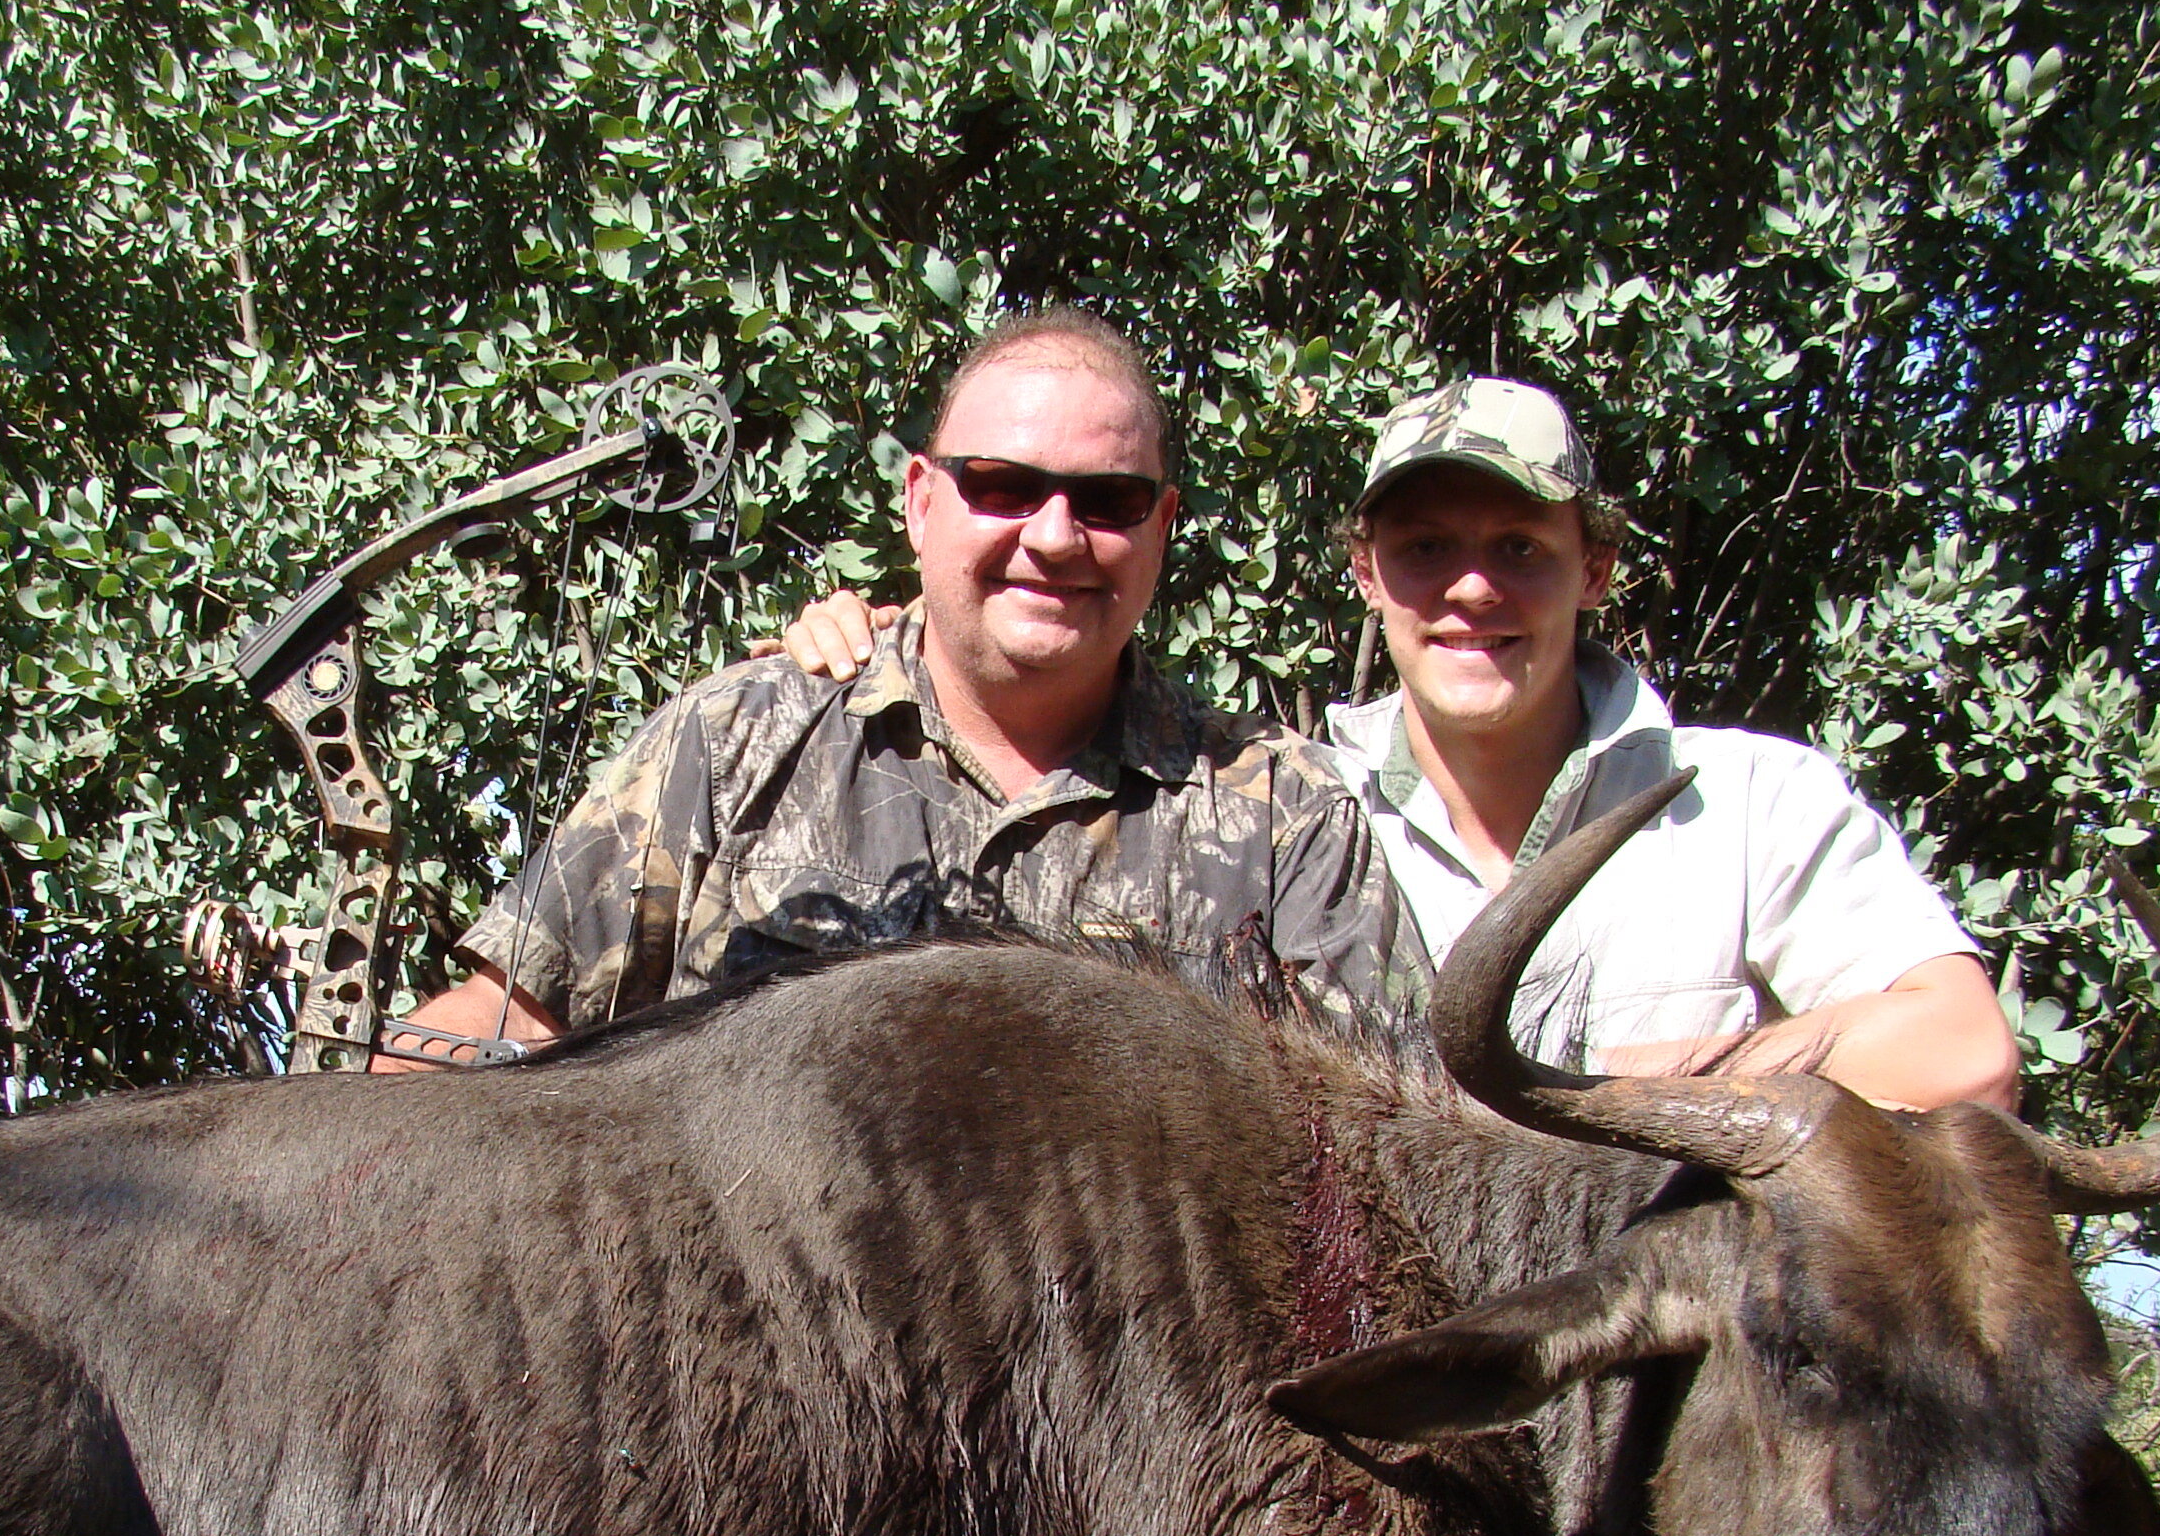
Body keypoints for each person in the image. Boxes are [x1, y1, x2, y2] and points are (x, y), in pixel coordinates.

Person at [778, 374, 2017, 1112]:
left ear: (1596, 569)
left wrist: (1638, 1096)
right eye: (1427, 549)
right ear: (1368, 573)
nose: (1472, 589)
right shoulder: (1293, 809)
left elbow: (1963, 1052)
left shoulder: (1750, 801)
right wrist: (903, 644)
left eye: (1521, 548)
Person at [378, 309, 1412, 1064]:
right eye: (1003, 487)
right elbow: (509, 1020)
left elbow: (1383, 1148)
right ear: (921, 502)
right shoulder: (733, 746)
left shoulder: (1287, 821)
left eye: (1108, 501)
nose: (1054, 537)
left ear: (1163, 525)